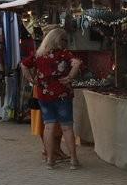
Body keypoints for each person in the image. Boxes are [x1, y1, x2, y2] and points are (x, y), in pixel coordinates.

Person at [20, 28, 82, 170]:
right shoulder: (64, 54)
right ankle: (73, 160)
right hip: (62, 94)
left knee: (49, 127)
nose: (66, 43)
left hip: (44, 95)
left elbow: (23, 64)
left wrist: (30, 79)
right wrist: (70, 77)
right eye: (64, 40)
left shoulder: (39, 55)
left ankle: (50, 160)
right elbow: (77, 63)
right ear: (59, 40)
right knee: (67, 127)